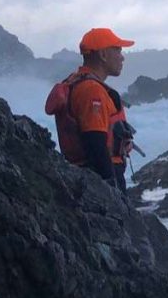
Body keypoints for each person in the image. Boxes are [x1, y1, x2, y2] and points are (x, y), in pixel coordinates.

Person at [45, 27, 136, 192]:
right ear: (102, 55)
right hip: (97, 177)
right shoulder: (92, 90)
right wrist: (110, 187)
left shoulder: (78, 82)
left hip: (86, 175)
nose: (122, 57)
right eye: (117, 50)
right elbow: (95, 142)